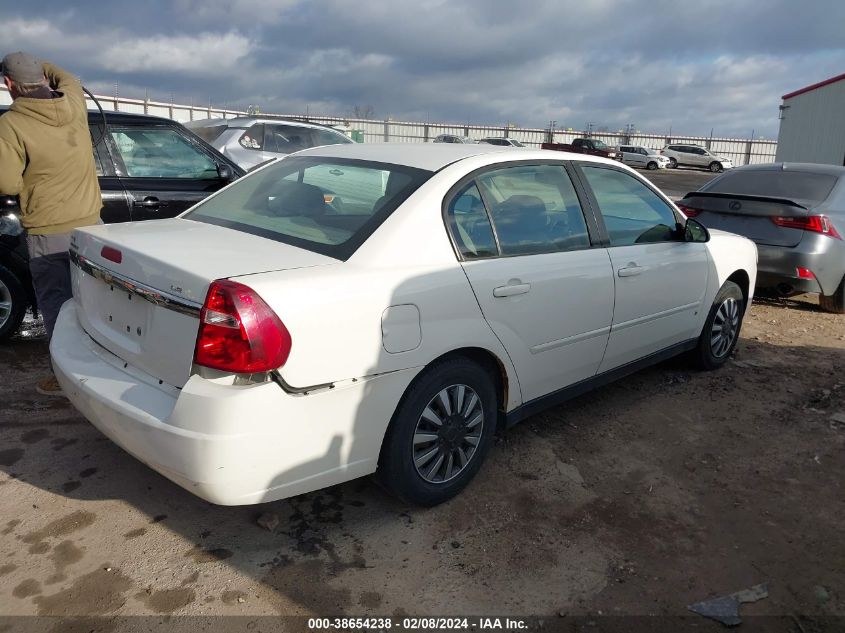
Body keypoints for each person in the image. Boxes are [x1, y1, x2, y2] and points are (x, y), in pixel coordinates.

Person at [0, 52, 102, 395]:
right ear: (44, 80)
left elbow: (7, 184)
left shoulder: (11, 125)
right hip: (93, 226)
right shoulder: (74, 104)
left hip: (49, 232)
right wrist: (40, 67)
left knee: (56, 303)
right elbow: (69, 77)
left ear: (9, 85)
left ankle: (65, 379)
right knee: (93, 300)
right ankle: (100, 371)